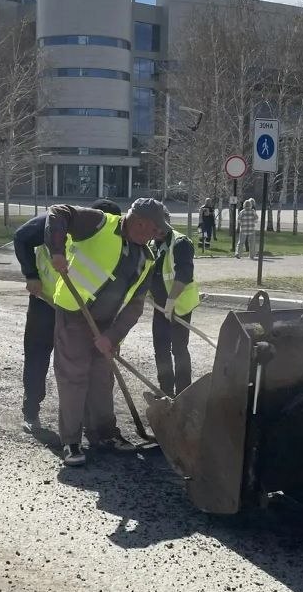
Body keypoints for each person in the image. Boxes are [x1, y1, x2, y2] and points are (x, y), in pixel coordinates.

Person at [46, 197, 170, 466]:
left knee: (103, 380)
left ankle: (103, 435)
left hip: (107, 325)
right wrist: (56, 251)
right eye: (153, 230)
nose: (154, 236)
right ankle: (71, 441)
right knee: (74, 378)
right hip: (73, 313)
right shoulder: (99, 223)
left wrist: (111, 337)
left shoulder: (146, 258)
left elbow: (135, 306)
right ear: (140, 222)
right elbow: (58, 212)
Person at [13, 198, 121, 434]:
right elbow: (21, 237)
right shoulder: (58, 225)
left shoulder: (113, 241)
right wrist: (31, 275)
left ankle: (85, 418)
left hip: (79, 313)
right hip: (46, 302)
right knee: (38, 354)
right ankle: (31, 410)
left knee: (82, 363)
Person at [150, 214, 200, 397]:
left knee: (179, 349)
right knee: (160, 349)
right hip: (159, 307)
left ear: (167, 221)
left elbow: (184, 274)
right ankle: (165, 390)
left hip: (179, 307)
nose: (156, 231)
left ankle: (184, 391)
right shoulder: (151, 245)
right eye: (153, 227)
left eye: (159, 226)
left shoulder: (180, 243)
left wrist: (170, 302)